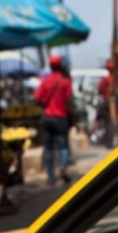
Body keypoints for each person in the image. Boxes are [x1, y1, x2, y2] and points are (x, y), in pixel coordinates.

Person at [33, 54, 74, 185]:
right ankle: (62, 167)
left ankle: (51, 177)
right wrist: (72, 116)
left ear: (50, 66)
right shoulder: (65, 82)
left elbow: (36, 98)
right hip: (61, 118)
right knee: (63, 145)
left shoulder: (45, 81)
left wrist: (45, 104)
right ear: (60, 65)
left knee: (49, 147)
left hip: (48, 118)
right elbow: (69, 102)